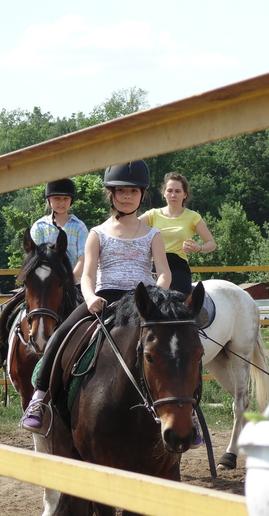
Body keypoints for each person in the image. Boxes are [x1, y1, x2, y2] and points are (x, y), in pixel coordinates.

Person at [21, 160, 172, 433]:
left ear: (142, 195)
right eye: (121, 192)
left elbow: (163, 273)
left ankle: (190, 414)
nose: (127, 197)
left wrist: (156, 296)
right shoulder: (96, 233)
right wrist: (89, 297)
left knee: (179, 346)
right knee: (60, 336)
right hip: (105, 298)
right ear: (111, 194)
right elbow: (88, 275)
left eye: (134, 192)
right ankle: (39, 399)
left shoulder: (153, 234)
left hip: (143, 301)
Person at [0, 178, 88, 375]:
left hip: (68, 283)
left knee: (88, 313)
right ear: (48, 201)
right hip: (39, 283)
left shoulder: (79, 227)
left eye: (65, 198)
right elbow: (33, 258)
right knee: (10, 309)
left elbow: (83, 258)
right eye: (56, 198)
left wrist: (70, 280)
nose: (61, 202)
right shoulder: (39, 226)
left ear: (71, 201)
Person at [139, 172, 216, 294]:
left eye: (177, 191)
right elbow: (130, 226)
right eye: (169, 191)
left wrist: (199, 248)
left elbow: (211, 243)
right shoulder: (152, 214)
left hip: (178, 267)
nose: (173, 195)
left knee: (181, 306)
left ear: (185, 194)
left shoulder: (193, 217)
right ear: (164, 194)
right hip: (154, 268)